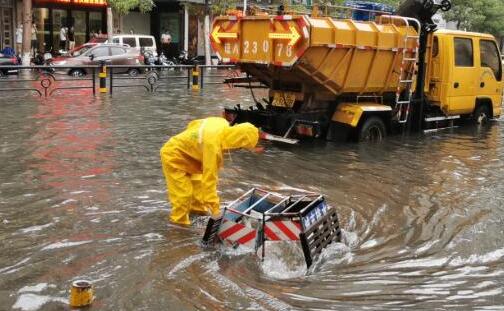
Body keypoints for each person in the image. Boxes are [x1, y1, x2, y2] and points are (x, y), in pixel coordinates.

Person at [160, 117, 260, 226]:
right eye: (240, 146)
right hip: (173, 156)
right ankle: (178, 226)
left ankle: (198, 212)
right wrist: (216, 211)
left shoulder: (221, 122)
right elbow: (209, 182)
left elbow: (194, 124)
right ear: (237, 140)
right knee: (183, 196)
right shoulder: (213, 147)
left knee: (198, 193)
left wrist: (194, 144)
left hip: (192, 154)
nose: (237, 149)